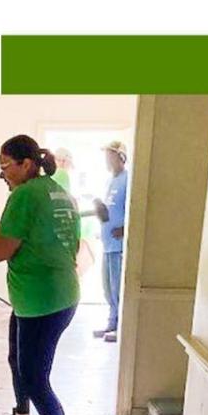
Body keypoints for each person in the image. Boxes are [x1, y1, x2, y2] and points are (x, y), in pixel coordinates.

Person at [0, 134, 85, 415]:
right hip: (53, 296)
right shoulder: (59, 192)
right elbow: (73, 244)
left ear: (26, 164)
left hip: (41, 304)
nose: (3, 176)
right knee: (16, 357)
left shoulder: (23, 195)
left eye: (5, 168)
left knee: (36, 378)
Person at [92, 140, 128, 342]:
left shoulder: (128, 178)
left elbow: (133, 208)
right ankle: (111, 322)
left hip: (119, 245)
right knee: (107, 287)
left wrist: (126, 227)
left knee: (118, 287)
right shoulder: (109, 182)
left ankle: (121, 326)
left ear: (120, 157)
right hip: (107, 243)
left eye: (110, 155)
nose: (107, 159)